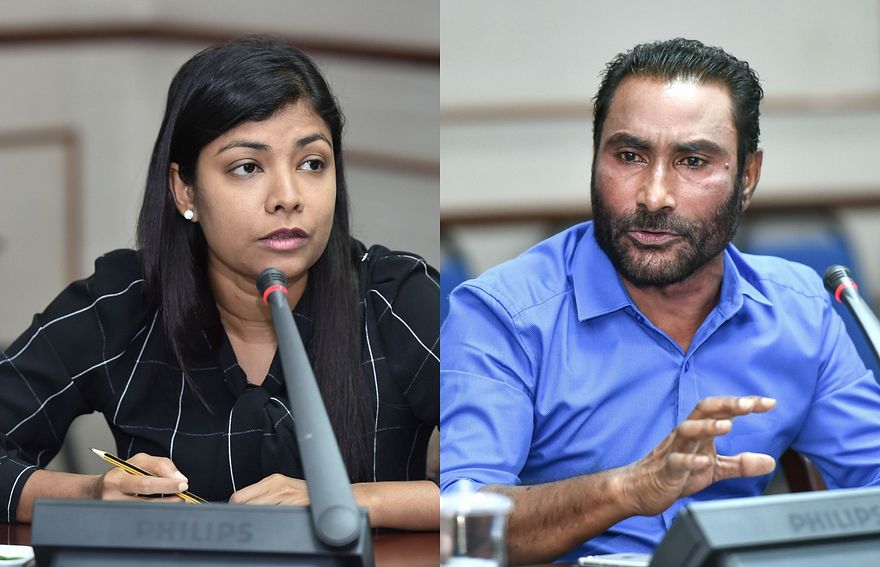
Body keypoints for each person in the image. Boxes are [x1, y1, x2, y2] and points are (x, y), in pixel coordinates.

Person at [440, 37, 880, 564]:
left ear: (747, 177)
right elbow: (464, 530)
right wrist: (627, 489)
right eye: (630, 156)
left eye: (693, 161)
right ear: (596, 158)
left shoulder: (800, 309)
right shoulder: (502, 314)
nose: (653, 196)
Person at [0, 36, 439, 530]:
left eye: (312, 163)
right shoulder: (122, 302)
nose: (288, 197)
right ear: (185, 189)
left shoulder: (396, 297)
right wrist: (91, 494)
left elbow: (497, 483)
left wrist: (353, 501)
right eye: (247, 167)